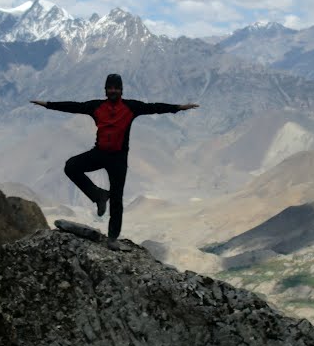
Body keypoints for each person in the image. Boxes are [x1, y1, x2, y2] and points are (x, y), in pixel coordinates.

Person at [31, 74, 199, 249]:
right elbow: (73, 107)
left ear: (121, 90)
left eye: (116, 88)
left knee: (117, 199)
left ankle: (112, 238)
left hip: (118, 159)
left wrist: (179, 107)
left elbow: (154, 107)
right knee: (71, 166)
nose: (113, 91)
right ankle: (98, 195)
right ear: (105, 90)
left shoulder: (131, 107)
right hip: (99, 153)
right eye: (110, 88)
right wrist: (48, 105)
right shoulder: (96, 106)